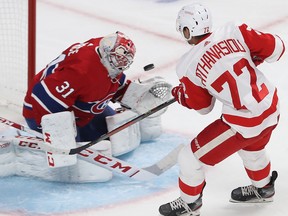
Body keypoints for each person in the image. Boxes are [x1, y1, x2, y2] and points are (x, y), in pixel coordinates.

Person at [159, 3, 285, 216]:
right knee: (252, 148)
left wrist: (181, 94)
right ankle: (263, 188)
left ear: (188, 30)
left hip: (244, 122)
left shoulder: (188, 65)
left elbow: (203, 107)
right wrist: (255, 56)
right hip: (271, 108)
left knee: (190, 158)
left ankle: (190, 204)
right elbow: (278, 48)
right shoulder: (235, 30)